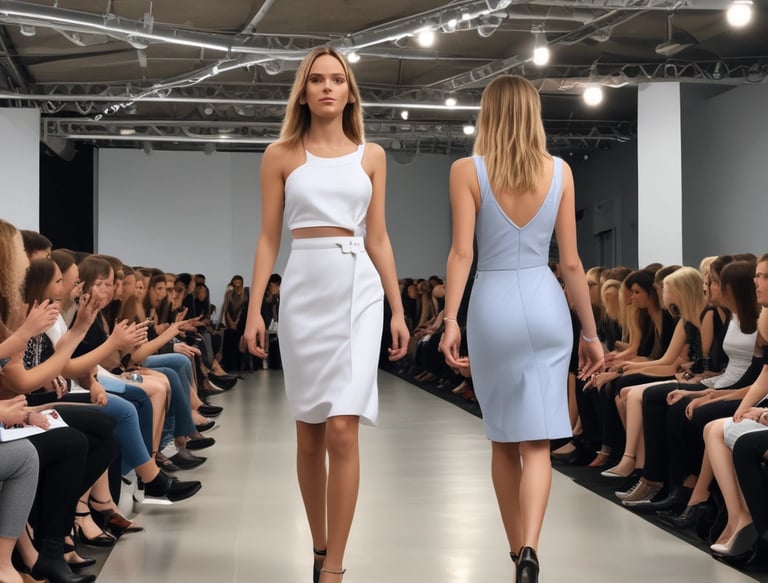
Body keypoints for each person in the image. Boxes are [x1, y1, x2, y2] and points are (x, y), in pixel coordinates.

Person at [243, 46, 409, 583]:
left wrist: (399, 309)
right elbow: (268, 239)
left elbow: (379, 237)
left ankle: (334, 568)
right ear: (304, 91)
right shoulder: (280, 155)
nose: (328, 87)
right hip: (303, 288)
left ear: (350, 92)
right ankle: (318, 546)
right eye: (317, 79)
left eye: (338, 79)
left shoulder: (371, 156)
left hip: (358, 287)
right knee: (309, 432)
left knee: (343, 428)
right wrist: (254, 311)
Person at [438, 74, 603, 583]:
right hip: (545, 302)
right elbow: (571, 263)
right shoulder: (560, 171)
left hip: (492, 305)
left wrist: (450, 319)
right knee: (537, 443)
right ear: (534, 115)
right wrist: (591, 334)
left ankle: (516, 555)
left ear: (486, 114)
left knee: (503, 440)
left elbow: (462, 253)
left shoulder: (466, 171)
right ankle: (531, 547)